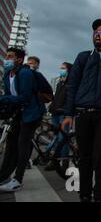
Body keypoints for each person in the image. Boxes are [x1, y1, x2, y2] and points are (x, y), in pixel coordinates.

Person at [62, 19, 101, 202]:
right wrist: (68, 113)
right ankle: (84, 195)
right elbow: (72, 85)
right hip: (83, 113)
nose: (98, 35)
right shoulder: (83, 57)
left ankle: (100, 197)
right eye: (96, 32)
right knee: (85, 157)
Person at [0, 48, 46, 192]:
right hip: (19, 112)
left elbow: (25, 98)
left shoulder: (25, 74)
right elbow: (9, 96)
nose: (6, 59)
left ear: (19, 60)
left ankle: (18, 179)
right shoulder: (7, 75)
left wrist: (3, 98)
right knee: (10, 144)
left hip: (32, 112)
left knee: (22, 144)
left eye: (10, 57)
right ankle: (3, 175)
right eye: (6, 56)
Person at [45, 62, 73, 171]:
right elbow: (56, 98)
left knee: (63, 139)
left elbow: (70, 99)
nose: (61, 70)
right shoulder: (60, 83)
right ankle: (55, 160)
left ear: (69, 70)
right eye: (60, 68)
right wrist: (51, 107)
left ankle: (64, 162)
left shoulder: (71, 83)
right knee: (56, 138)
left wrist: (68, 111)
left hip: (64, 113)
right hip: (55, 113)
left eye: (63, 68)